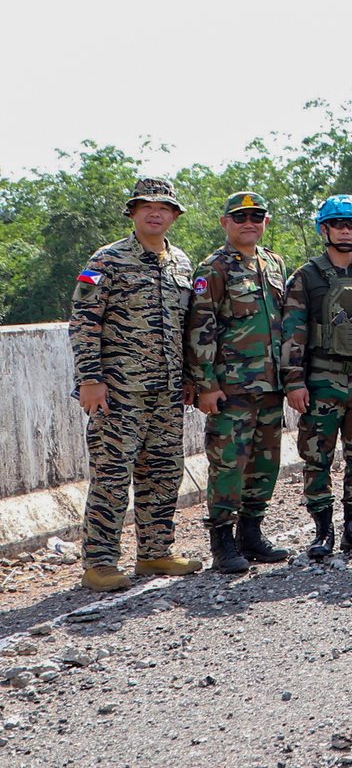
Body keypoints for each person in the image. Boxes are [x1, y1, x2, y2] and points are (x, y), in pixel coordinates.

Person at [69, 177, 201, 592]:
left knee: (163, 472)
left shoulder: (181, 262)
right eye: (146, 206)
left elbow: (188, 327)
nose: (155, 212)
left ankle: (155, 552)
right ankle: (100, 562)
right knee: (111, 475)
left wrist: (190, 378)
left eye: (164, 207)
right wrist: (91, 379)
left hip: (166, 392)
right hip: (118, 392)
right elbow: (84, 322)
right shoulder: (106, 260)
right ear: (133, 212)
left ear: (175, 215)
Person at [281, 194, 352, 560]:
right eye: (338, 224)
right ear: (324, 229)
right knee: (317, 458)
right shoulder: (306, 276)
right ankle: (322, 531)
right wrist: (294, 381)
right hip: (321, 380)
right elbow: (293, 331)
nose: (345, 231)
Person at [187, 191, 293, 572]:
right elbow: (201, 329)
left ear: (265, 222)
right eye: (240, 217)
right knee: (229, 464)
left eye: (256, 216)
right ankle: (222, 542)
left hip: (270, 386)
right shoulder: (213, 269)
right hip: (231, 387)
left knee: (266, 464)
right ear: (225, 223)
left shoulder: (274, 263)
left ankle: (252, 534)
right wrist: (206, 384)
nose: (249, 223)